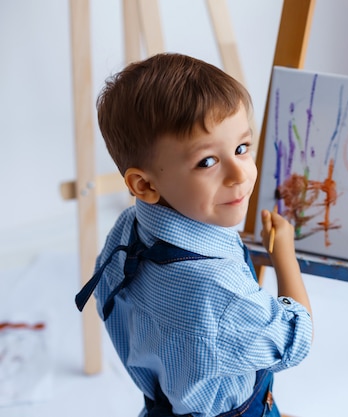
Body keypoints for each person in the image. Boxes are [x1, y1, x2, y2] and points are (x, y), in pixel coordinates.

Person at [75, 53, 313, 417]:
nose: (239, 174)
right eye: (207, 162)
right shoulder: (216, 289)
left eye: (241, 148)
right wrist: (284, 254)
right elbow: (295, 340)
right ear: (144, 184)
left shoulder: (127, 231)